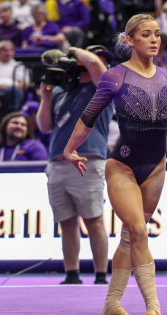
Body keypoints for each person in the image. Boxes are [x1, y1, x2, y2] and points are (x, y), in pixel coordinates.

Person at [60, 14, 167, 315]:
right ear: (130, 40)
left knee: (128, 237)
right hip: (122, 165)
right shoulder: (114, 76)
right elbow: (87, 118)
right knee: (138, 230)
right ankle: (154, 305)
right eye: (146, 35)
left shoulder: (166, 76)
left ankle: (112, 302)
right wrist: (69, 150)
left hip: (157, 166)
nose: (154, 40)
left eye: (157, 34)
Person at [36, 45, 114, 287]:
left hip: (87, 161)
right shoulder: (62, 90)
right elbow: (44, 126)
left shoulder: (102, 88)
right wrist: (46, 98)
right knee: (67, 222)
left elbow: (95, 66)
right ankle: (72, 274)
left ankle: (101, 275)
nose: (100, 63)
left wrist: (71, 50)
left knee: (94, 219)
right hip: (58, 163)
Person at [0, 40, 29, 110]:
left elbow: (23, 85)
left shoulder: (19, 66)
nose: (8, 53)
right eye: (4, 50)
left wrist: (7, 87)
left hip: (12, 91)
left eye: (10, 50)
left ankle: (13, 114)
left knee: (16, 91)